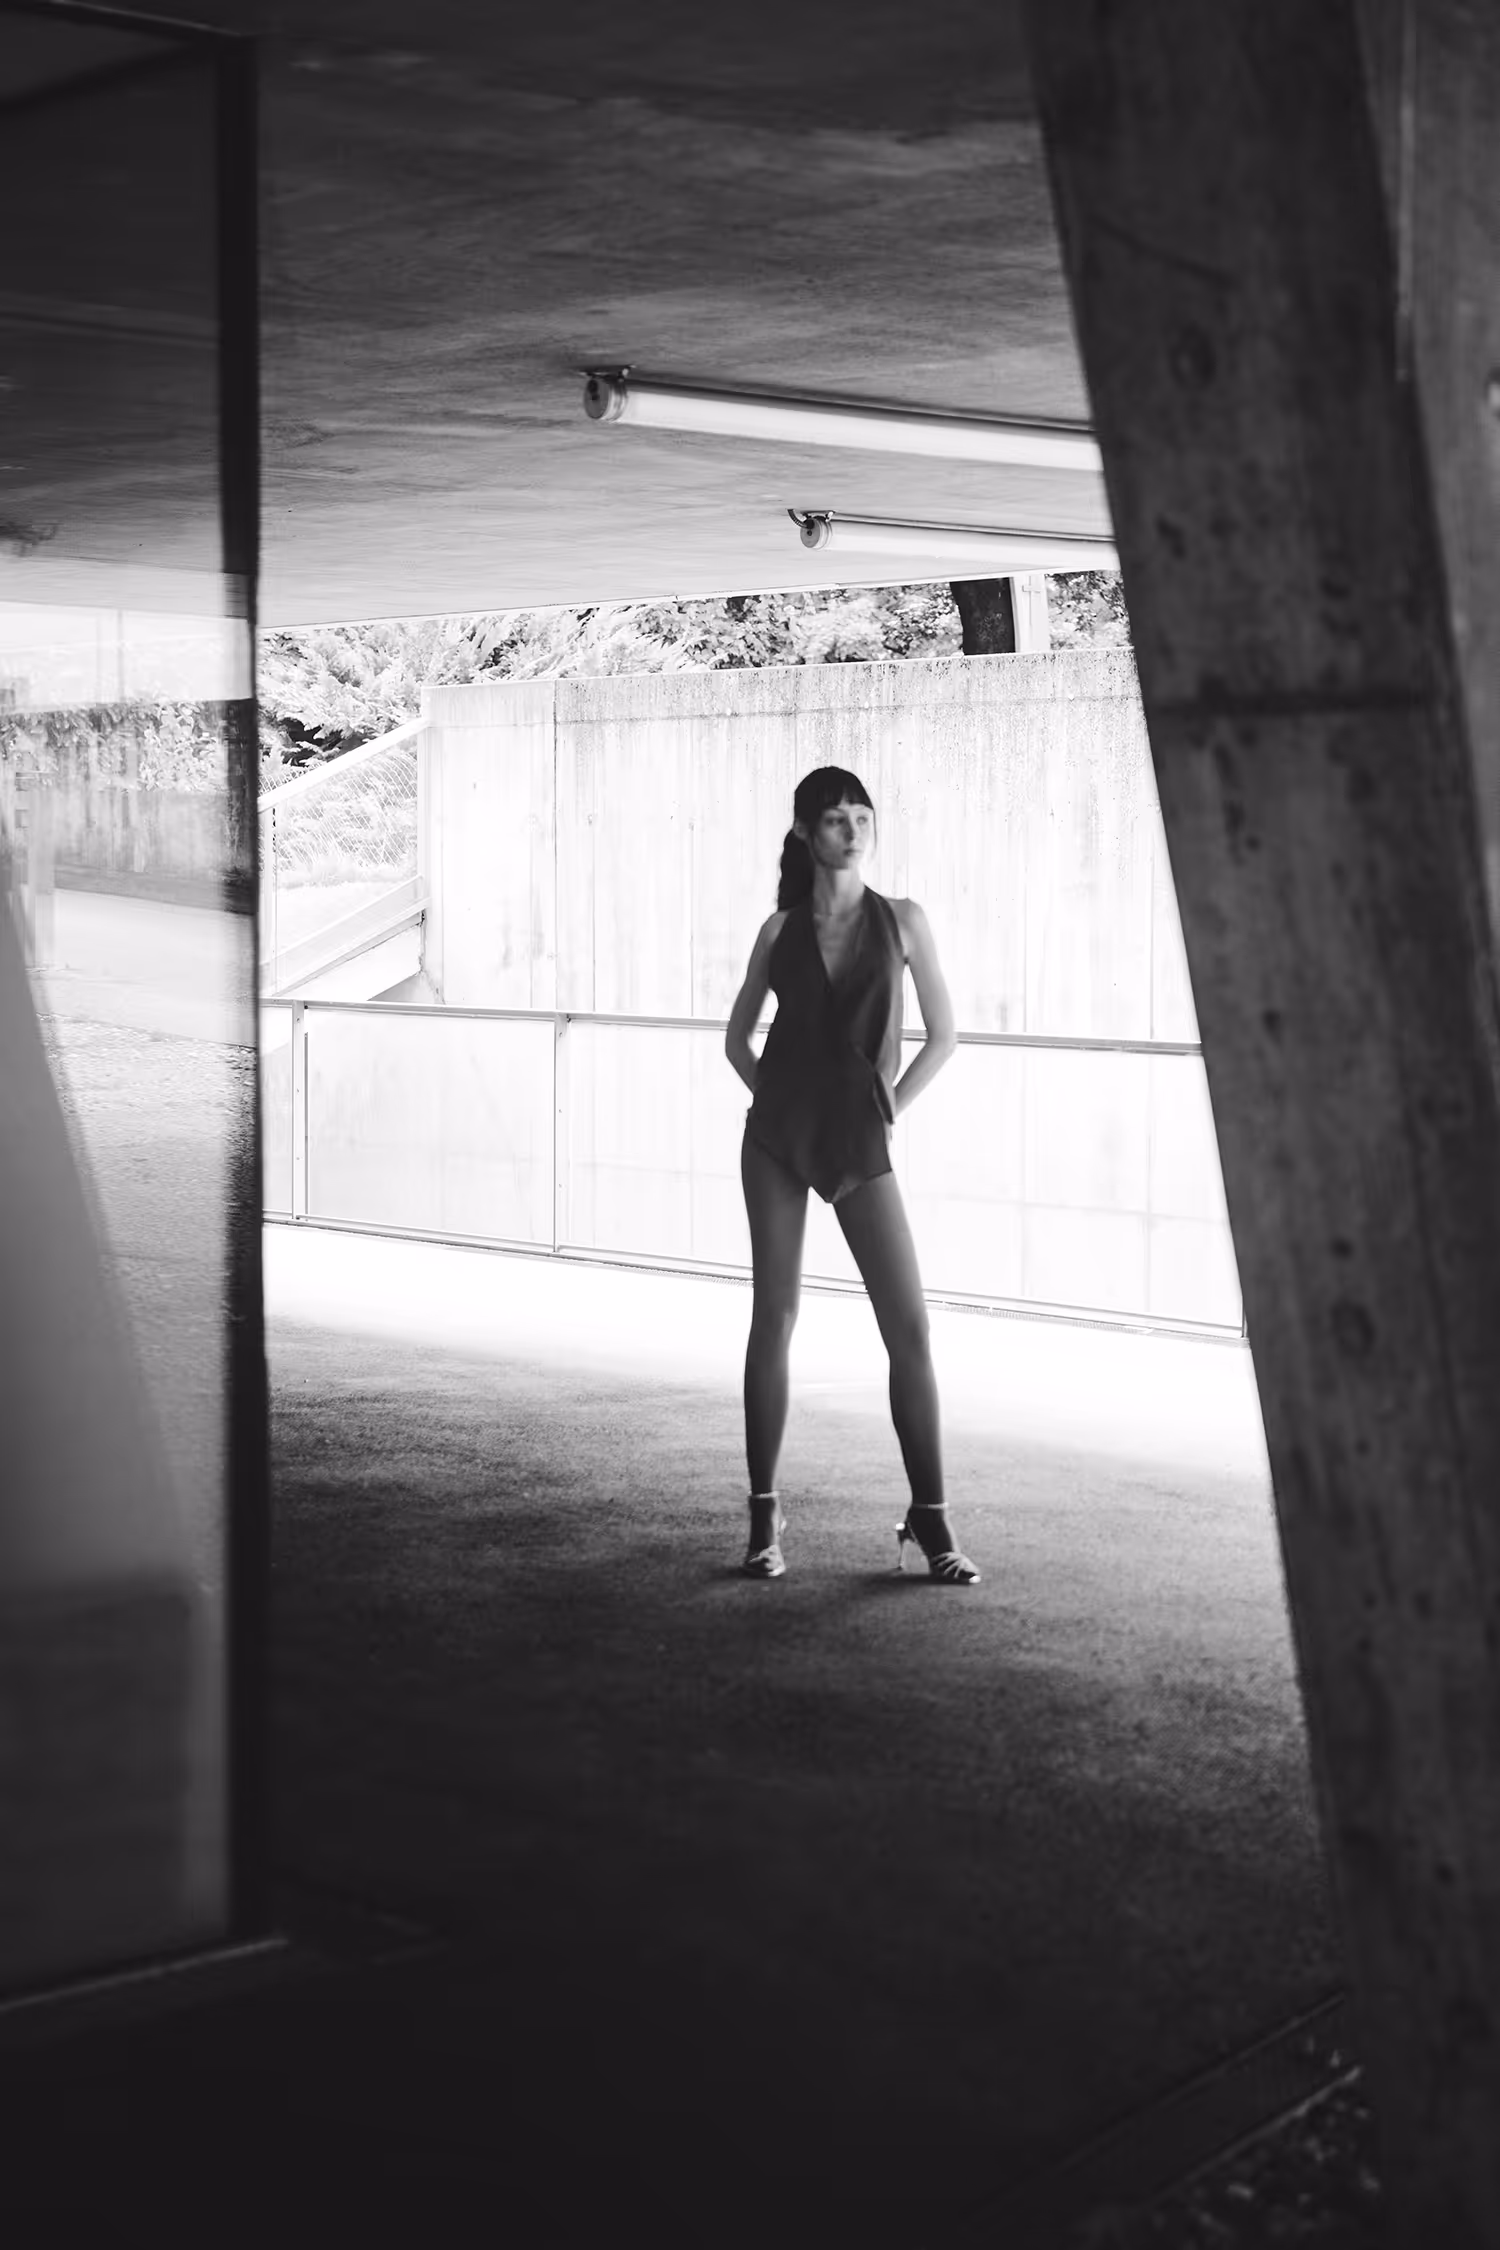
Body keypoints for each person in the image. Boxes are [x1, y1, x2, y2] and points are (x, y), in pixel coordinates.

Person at [723, 764, 979, 1585]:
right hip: (776, 1140)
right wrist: (778, 1102)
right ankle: (764, 1516)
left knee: (910, 1330)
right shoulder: (779, 930)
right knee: (774, 1317)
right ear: (806, 832)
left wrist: (888, 1105)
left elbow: (945, 1035)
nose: (852, 830)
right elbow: (736, 1040)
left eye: (862, 816)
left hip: (859, 1141)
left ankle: (930, 1518)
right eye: (835, 819)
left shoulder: (903, 919)